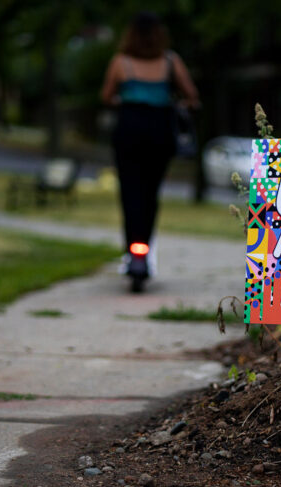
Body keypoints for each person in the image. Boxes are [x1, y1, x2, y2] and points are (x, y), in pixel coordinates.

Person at [101, 12, 199, 292]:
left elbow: (106, 97)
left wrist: (126, 98)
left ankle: (134, 253)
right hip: (160, 132)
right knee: (150, 194)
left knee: (130, 193)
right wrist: (176, 102)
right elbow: (192, 95)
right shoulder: (170, 62)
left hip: (129, 130)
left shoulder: (121, 63)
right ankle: (143, 250)